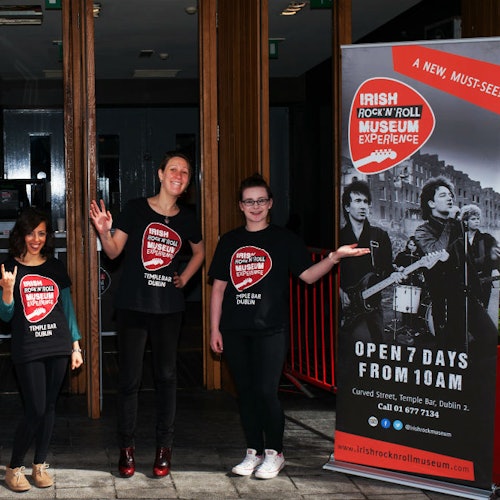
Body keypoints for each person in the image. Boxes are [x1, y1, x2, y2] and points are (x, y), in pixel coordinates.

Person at [208, 173, 369, 479]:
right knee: (246, 393)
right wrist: (215, 329)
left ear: (270, 204)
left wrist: (334, 257)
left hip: (272, 330)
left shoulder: (284, 240)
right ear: (240, 206)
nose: (255, 206)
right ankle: (252, 451)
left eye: (261, 200)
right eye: (249, 201)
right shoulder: (229, 241)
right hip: (234, 330)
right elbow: (218, 287)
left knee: (267, 392)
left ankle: (275, 453)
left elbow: (307, 276)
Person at [89, 151, 204, 479]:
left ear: (187, 181)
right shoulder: (137, 209)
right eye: (173, 169)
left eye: (184, 171)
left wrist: (186, 276)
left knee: (167, 379)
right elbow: (113, 252)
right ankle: (127, 449)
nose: (178, 175)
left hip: (169, 309)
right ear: (160, 173)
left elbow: (200, 249)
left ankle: (164, 449)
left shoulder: (187, 217)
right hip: (134, 307)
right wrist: (102, 231)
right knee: (129, 381)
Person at [0, 208, 83, 493]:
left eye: (41, 233)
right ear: (20, 234)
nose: (36, 239)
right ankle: (13, 468)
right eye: (31, 233)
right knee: (35, 407)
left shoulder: (56, 267)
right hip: (27, 347)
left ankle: (39, 464)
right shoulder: (8, 267)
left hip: (58, 345)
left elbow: (67, 309)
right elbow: (6, 316)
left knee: (48, 407)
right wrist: (8, 292)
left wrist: (75, 345)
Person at [414, 176, 497, 351]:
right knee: (453, 349)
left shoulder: (458, 227)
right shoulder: (423, 230)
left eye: (450, 194)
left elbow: (467, 261)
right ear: (431, 203)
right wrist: (451, 222)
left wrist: (478, 293)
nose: (450, 198)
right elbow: (435, 251)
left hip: (466, 296)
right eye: (443, 195)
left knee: (490, 338)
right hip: (444, 301)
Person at [339, 180, 402, 343]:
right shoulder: (338, 237)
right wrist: (338, 291)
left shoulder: (380, 236)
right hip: (346, 304)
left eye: (366, 202)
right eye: (358, 201)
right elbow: (330, 269)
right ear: (347, 207)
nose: (363, 206)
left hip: (373, 303)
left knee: (378, 346)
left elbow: (388, 269)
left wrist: (396, 274)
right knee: (347, 349)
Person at [459, 204, 500, 308]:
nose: (477, 221)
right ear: (465, 222)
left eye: (478, 219)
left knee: (480, 314)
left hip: (483, 285)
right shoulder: (459, 240)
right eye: (473, 219)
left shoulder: (487, 239)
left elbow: (496, 257)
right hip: (463, 285)